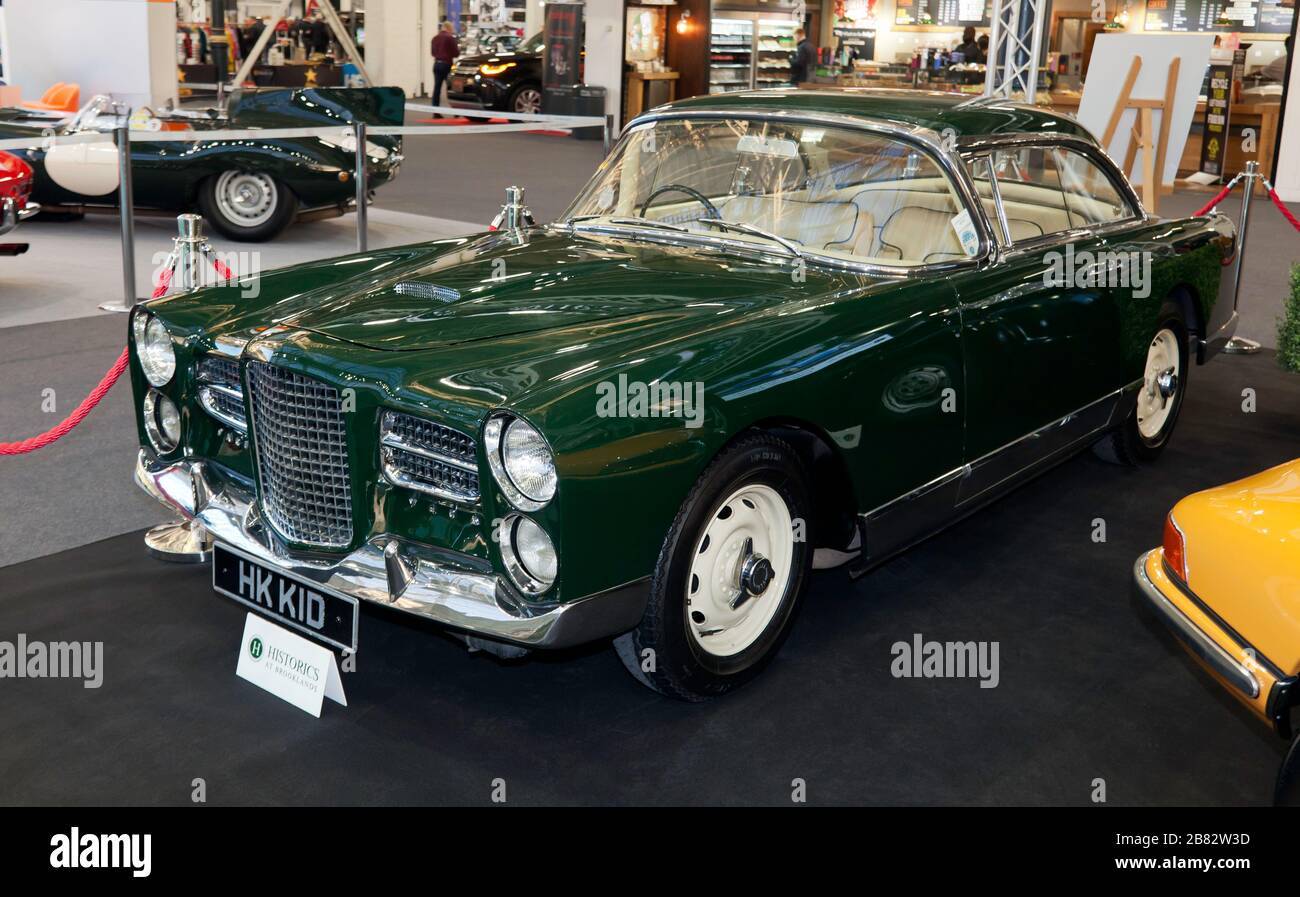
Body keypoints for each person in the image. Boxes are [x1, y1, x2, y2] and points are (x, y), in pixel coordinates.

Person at [431, 22, 459, 108]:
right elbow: (456, 53)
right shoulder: (450, 38)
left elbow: (432, 53)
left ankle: (435, 111)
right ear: (449, 28)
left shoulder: (434, 38)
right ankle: (455, 110)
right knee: (451, 88)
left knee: (437, 88)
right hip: (446, 65)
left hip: (436, 64)